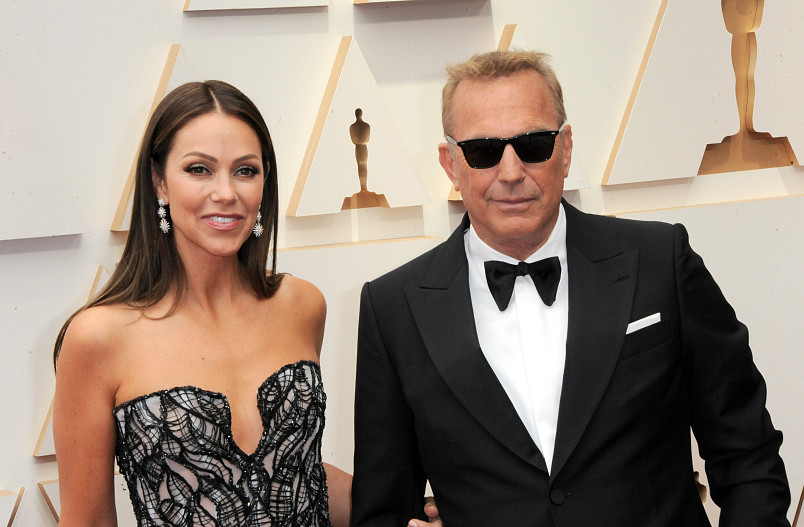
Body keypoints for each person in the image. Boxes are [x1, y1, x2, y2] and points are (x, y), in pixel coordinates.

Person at [351, 51, 791, 526]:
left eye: (533, 144)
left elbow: (748, 453)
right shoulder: (393, 309)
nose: (511, 172)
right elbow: (382, 508)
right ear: (450, 164)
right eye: (483, 151)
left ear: (565, 149)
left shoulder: (660, 261)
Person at [52, 80, 437, 527]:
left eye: (245, 170)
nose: (226, 193)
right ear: (159, 182)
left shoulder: (301, 304)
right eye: (199, 169)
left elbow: (294, 478)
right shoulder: (98, 338)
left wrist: (413, 513)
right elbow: (87, 520)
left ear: (264, 181)